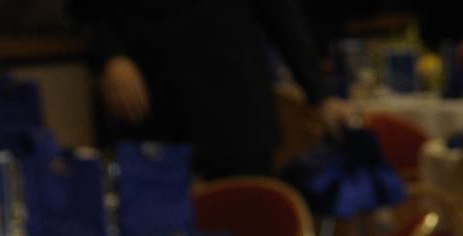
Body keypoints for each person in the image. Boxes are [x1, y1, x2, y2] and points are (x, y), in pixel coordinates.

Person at [74, 0, 347, 180]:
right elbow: (90, 12)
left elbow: (281, 13)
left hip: (236, 108)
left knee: (246, 225)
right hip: (151, 108)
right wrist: (110, 56)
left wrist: (320, 94)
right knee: (156, 232)